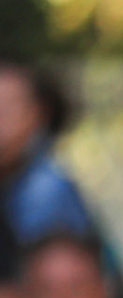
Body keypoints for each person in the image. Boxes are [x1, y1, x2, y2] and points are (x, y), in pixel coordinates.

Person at [0, 62, 96, 248]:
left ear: (40, 113)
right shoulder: (12, 176)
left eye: (7, 107)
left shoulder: (44, 190)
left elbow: (50, 273)